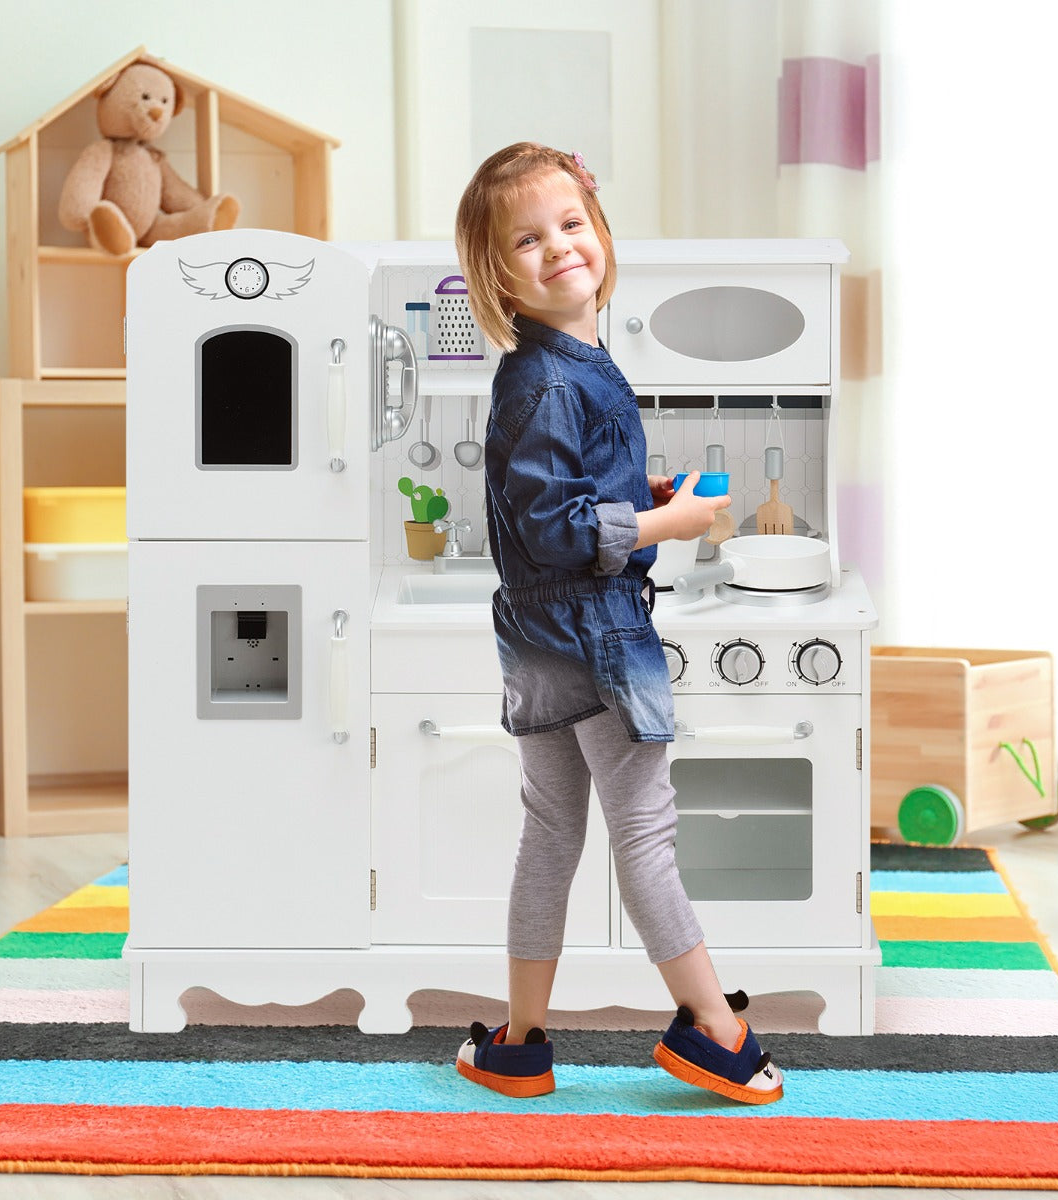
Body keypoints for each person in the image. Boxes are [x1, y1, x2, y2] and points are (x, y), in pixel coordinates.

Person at [450, 142, 783, 1105]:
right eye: (527, 238)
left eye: (570, 223)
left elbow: (559, 500)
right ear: (497, 274)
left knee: (552, 829)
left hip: (542, 641)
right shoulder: (551, 379)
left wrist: (642, 492)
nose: (558, 246)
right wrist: (665, 523)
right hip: (593, 638)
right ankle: (717, 1032)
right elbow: (556, 530)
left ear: (598, 232)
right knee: (645, 831)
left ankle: (518, 1043)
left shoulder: (572, 365)